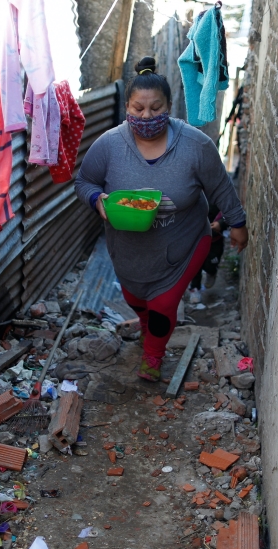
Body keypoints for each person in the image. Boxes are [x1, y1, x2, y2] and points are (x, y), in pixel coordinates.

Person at [74, 56, 249, 382]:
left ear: (169, 106)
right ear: (127, 107)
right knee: (135, 299)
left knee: (163, 303)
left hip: (184, 243)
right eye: (138, 108)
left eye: (156, 108)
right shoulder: (109, 145)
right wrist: (97, 199)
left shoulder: (195, 145)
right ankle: (145, 325)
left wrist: (237, 224)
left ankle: (153, 356)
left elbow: (221, 187)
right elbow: (85, 182)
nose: (147, 116)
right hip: (129, 250)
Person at [187, 202, 227, 304]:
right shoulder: (190, 197)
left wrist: (221, 223)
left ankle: (211, 272)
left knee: (211, 264)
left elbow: (230, 210)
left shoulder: (218, 196)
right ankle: (195, 288)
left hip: (214, 240)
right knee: (194, 265)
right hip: (195, 238)